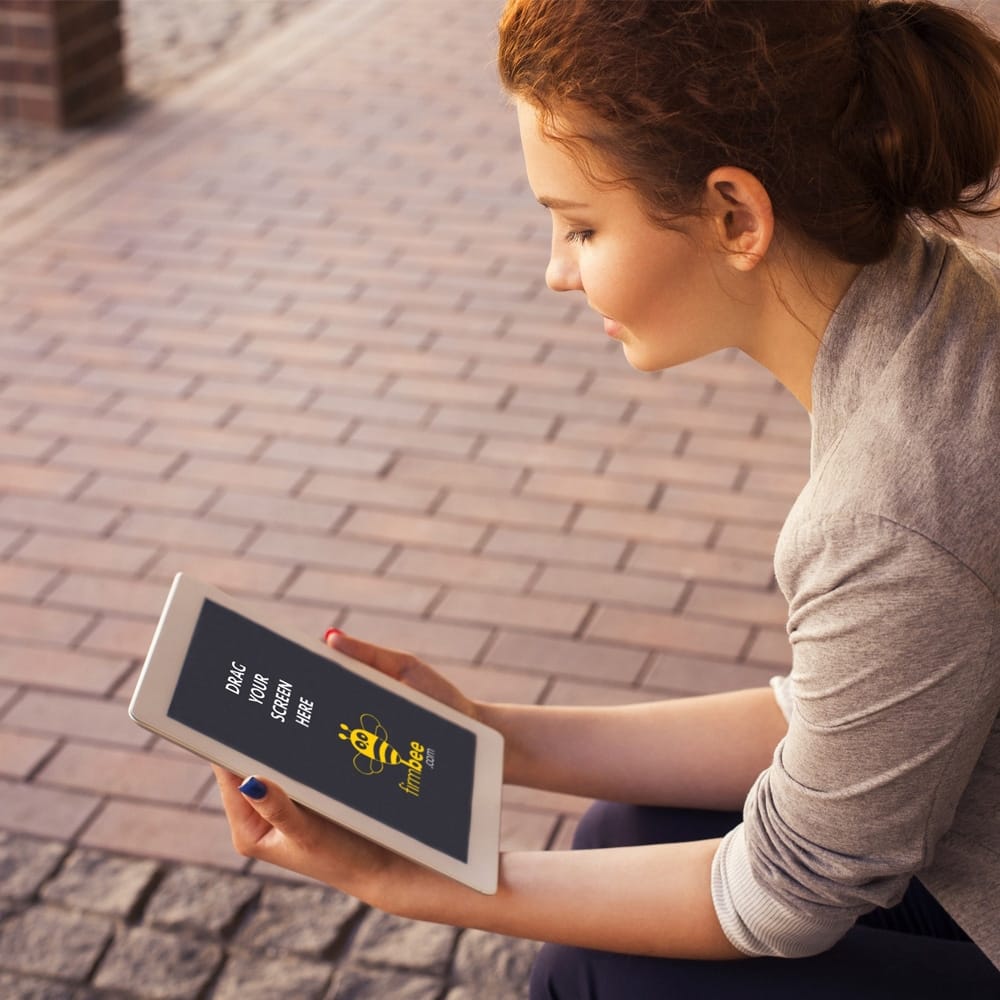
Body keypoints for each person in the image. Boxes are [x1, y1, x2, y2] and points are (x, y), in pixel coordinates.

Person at [212, 1, 1000, 995]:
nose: (555, 271)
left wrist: (400, 877)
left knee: (595, 975)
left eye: (580, 227)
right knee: (620, 832)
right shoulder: (946, 307)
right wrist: (485, 735)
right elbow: (851, 712)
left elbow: (788, 891)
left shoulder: (886, 506)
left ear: (734, 218)